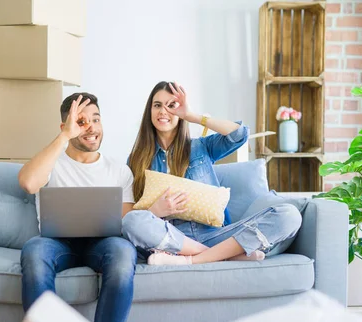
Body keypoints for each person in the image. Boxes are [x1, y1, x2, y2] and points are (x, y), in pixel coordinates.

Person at [18, 93, 137, 322]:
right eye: (81, 122)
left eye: (95, 119)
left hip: (103, 241)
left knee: (124, 254)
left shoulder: (118, 170)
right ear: (66, 126)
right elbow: (29, 183)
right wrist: (64, 137)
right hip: (57, 242)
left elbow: (125, 220)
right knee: (33, 253)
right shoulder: (52, 161)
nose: (91, 127)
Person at [122, 81, 302, 265]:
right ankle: (222, 255)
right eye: (157, 105)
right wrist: (155, 211)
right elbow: (129, 218)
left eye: (171, 105)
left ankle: (190, 260)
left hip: (216, 236)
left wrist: (192, 116)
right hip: (170, 241)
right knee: (132, 221)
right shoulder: (136, 159)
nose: (163, 111)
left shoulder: (201, 147)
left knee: (289, 215)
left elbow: (239, 135)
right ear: (149, 111)